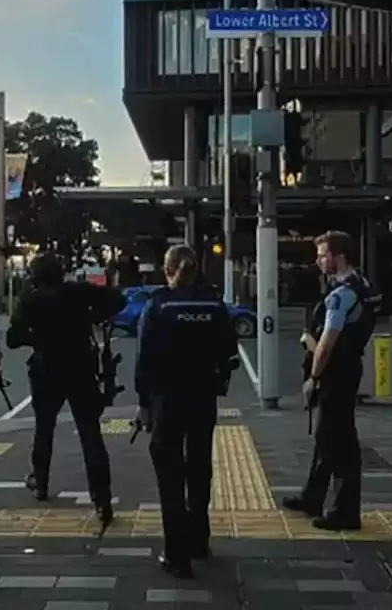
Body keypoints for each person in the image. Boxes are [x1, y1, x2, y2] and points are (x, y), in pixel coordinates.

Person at [134, 245, 238, 579]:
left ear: (167, 270)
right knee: (199, 467)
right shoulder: (214, 305)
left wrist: (144, 403)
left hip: (168, 398)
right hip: (203, 397)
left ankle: (176, 554)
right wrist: (219, 383)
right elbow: (229, 354)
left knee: (169, 473)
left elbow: (144, 360)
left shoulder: (158, 306)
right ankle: (199, 540)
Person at [6, 253, 123, 523]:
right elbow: (118, 299)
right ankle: (102, 498)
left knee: (44, 429)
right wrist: (94, 316)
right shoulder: (79, 293)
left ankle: (41, 482)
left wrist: (37, 337)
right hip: (81, 369)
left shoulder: (32, 300)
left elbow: (13, 338)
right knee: (90, 434)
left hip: (46, 371)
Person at [284, 230, 376, 531]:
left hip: (337, 373)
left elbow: (327, 342)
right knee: (328, 436)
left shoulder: (342, 295)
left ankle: (345, 512)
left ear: (339, 257)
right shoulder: (360, 286)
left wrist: (314, 377)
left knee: (339, 441)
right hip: (347, 370)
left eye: (323, 255)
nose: (318, 260)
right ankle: (313, 496)